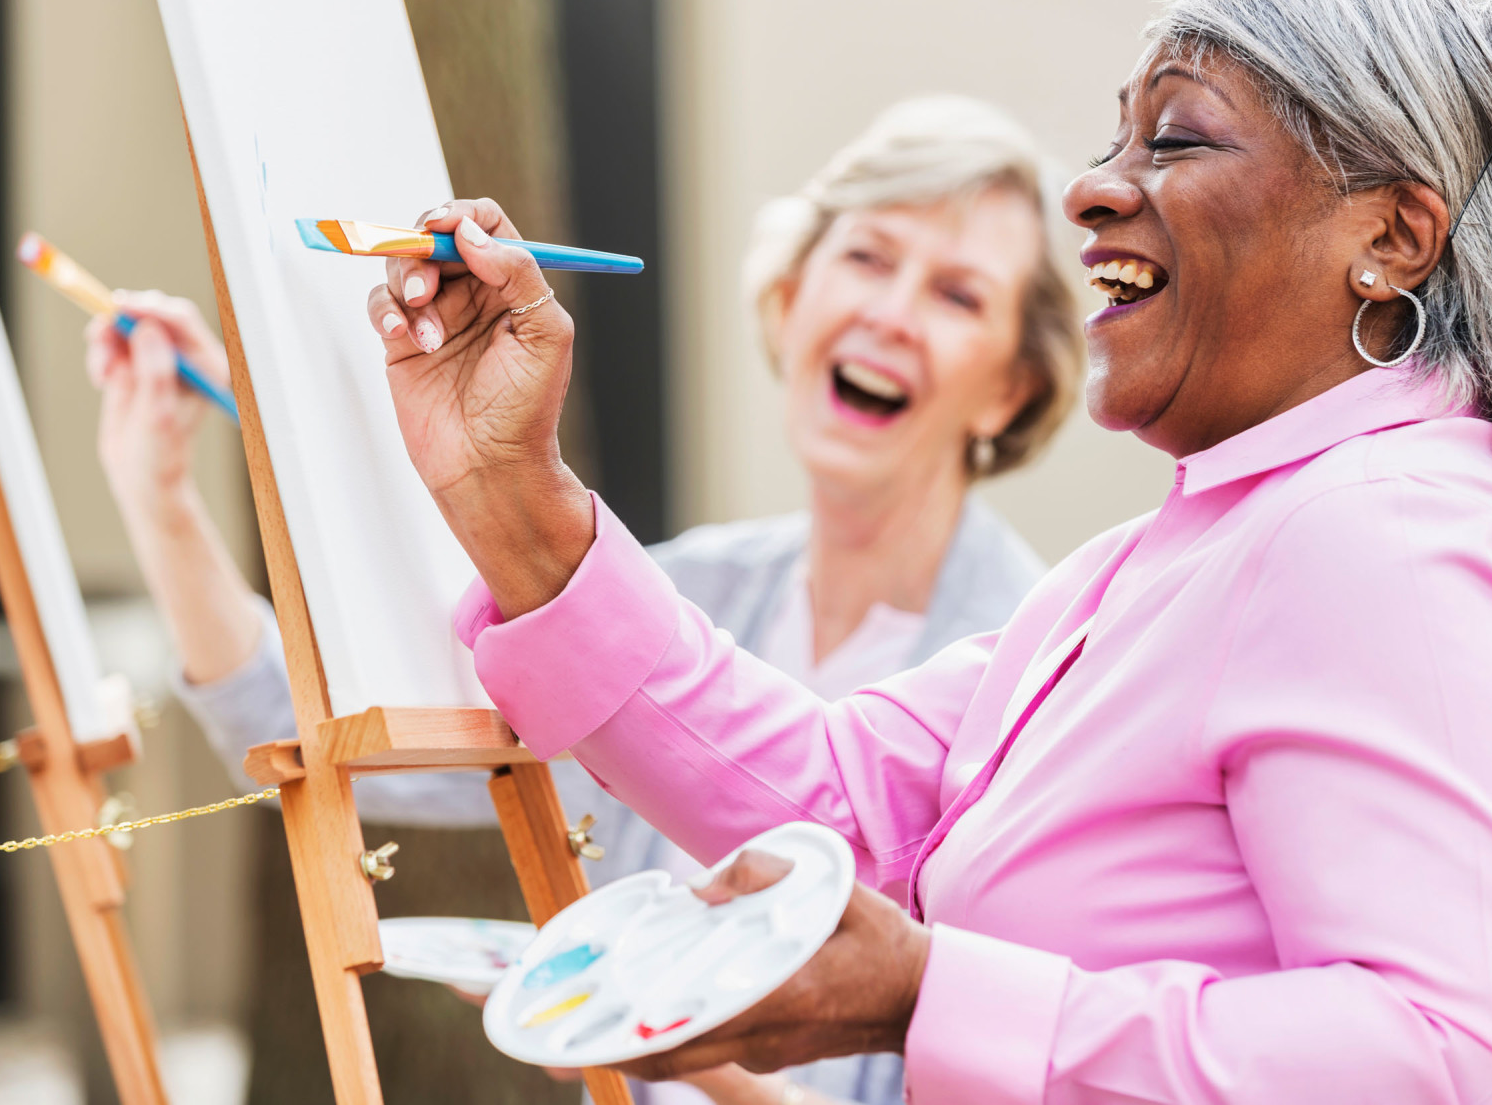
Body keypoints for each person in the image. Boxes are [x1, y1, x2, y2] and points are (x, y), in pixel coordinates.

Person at [364, 0, 1492, 1104]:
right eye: (1114, 141)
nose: (1089, 190)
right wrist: (506, 490)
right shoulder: (1163, 560)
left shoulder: (1383, 536)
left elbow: (1459, 1063)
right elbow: (839, 806)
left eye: (1176, 141)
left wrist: (927, 995)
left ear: (1392, 236)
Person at [86, 96, 1086, 1105]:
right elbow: (310, 732)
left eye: (957, 296)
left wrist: (649, 1028)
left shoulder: (1034, 679)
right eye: (867, 258)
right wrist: (160, 495)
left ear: (1012, 388)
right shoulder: (671, 601)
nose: (891, 314)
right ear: (790, 295)